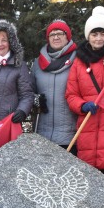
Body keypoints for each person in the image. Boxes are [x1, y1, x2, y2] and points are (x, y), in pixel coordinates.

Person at [65, 6, 104, 183]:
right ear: (88, 36)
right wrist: (82, 105)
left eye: (102, 33)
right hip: (88, 130)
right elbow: (71, 94)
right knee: (88, 184)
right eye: (94, 34)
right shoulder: (79, 61)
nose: (98, 38)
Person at [30, 19, 78, 153]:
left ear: (67, 36)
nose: (56, 37)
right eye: (52, 34)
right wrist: (35, 99)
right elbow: (28, 91)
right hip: (42, 135)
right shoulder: (37, 63)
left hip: (70, 137)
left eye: (60, 33)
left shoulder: (78, 60)